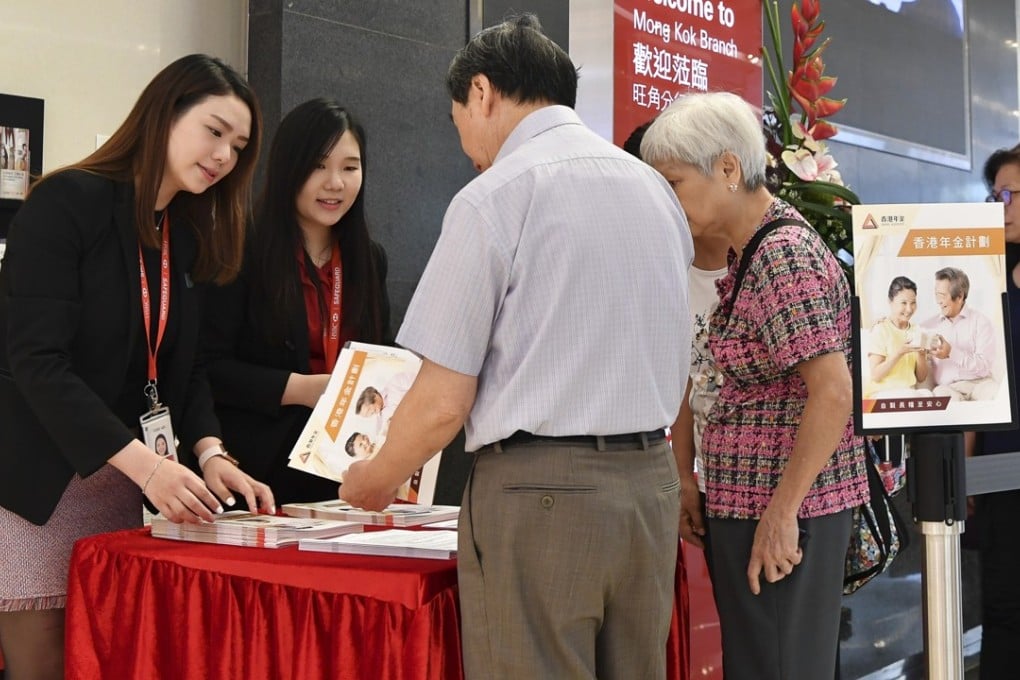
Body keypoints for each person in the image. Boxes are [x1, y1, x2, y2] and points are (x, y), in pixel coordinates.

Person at [340, 14, 693, 680]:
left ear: (482, 93)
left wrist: (376, 476)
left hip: (540, 498)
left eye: (456, 120)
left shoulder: (494, 196)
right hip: (650, 487)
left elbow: (444, 401)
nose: (468, 146)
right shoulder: (654, 190)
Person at [0, 54, 276, 679]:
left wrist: (211, 454)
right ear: (165, 112)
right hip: (37, 484)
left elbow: (189, 368)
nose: (225, 156)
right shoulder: (66, 201)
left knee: (102, 655)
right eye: (215, 131)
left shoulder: (184, 232)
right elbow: (36, 362)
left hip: (124, 487)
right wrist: (148, 464)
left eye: (239, 145)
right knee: (41, 660)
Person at [640, 92, 869, 680]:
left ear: (727, 168)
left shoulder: (781, 255)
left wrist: (782, 513)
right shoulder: (751, 251)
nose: (667, 201)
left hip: (784, 514)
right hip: (750, 505)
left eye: (674, 182)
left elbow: (833, 392)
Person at [203, 98, 391, 506]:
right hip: (260, 475)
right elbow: (209, 368)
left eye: (349, 167)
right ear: (288, 169)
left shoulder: (368, 259)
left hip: (347, 473)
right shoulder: (240, 249)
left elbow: (382, 359)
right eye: (318, 166)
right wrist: (303, 389)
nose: (335, 183)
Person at [973, 144, 1020, 679]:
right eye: (994, 195)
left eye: (1010, 194)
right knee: (1003, 609)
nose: (1000, 206)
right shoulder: (985, 279)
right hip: (1000, 469)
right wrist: (964, 473)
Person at [919, 266, 999, 401]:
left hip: (979, 384)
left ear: (960, 296)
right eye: (936, 294)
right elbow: (905, 332)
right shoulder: (928, 326)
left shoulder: (981, 322)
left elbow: (984, 367)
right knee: (942, 396)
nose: (938, 300)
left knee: (993, 392)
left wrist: (951, 353)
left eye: (942, 296)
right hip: (947, 388)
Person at [865, 276, 933, 398]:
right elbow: (876, 375)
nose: (909, 309)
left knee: (928, 395)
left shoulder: (916, 331)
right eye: (904, 303)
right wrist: (899, 353)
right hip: (882, 394)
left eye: (913, 303)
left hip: (908, 393)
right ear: (890, 302)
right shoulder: (881, 329)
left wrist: (922, 354)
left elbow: (921, 378)